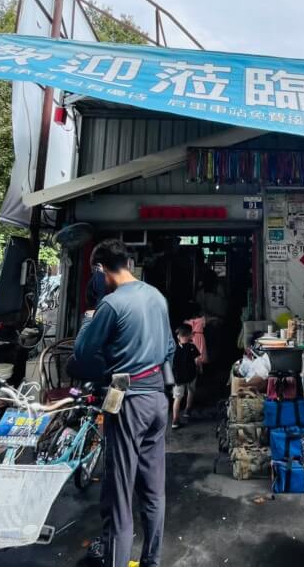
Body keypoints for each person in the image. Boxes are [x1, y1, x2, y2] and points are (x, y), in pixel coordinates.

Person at [74, 239, 174, 567]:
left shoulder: (111, 305)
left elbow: (83, 354)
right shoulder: (156, 296)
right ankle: (152, 561)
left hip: (128, 401)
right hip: (158, 399)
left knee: (119, 494)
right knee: (153, 489)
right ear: (128, 263)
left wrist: (89, 319)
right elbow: (170, 349)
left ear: (102, 270)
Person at [171, 324, 200, 429]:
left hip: (178, 378)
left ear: (178, 336)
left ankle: (175, 420)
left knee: (177, 398)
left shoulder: (173, 348)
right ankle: (187, 409)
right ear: (190, 336)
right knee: (191, 391)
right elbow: (197, 361)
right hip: (191, 375)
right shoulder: (192, 347)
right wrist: (199, 368)